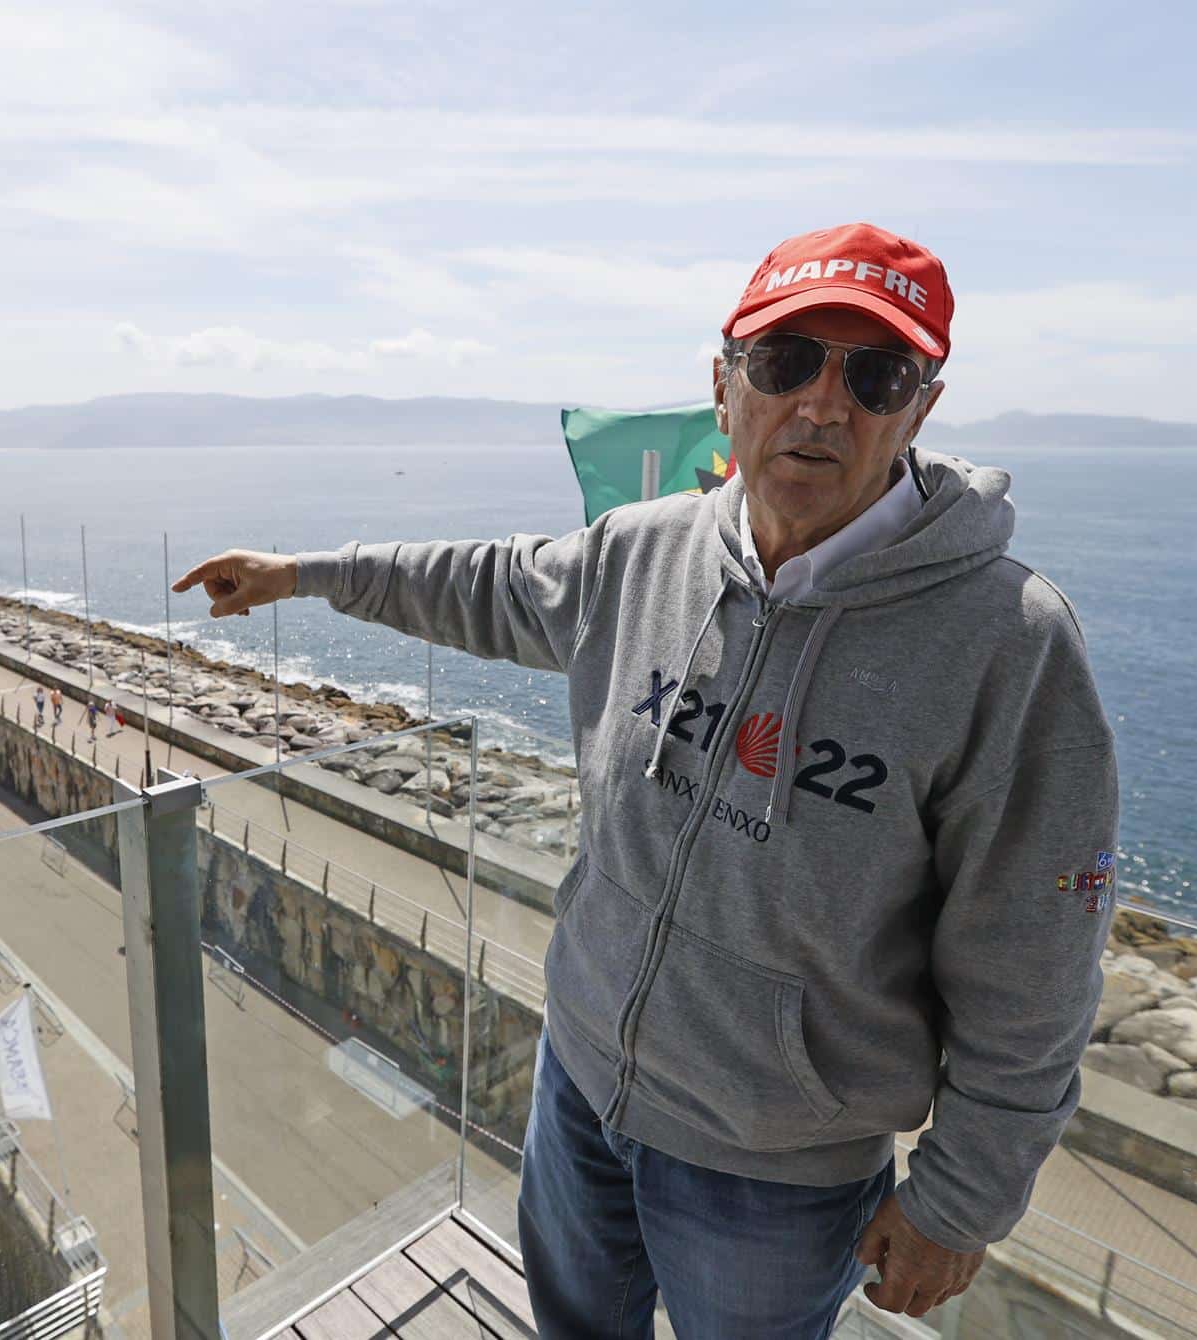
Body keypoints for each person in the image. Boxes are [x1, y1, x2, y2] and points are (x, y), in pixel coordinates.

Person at [172, 223, 1117, 1334]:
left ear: (921, 406)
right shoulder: (646, 550)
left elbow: (1037, 971)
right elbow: (485, 584)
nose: (822, 403)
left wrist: (960, 1200)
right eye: (786, 362)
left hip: (775, 1170)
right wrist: (305, 573)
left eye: (874, 373)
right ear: (725, 386)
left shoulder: (1008, 641)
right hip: (579, 1087)